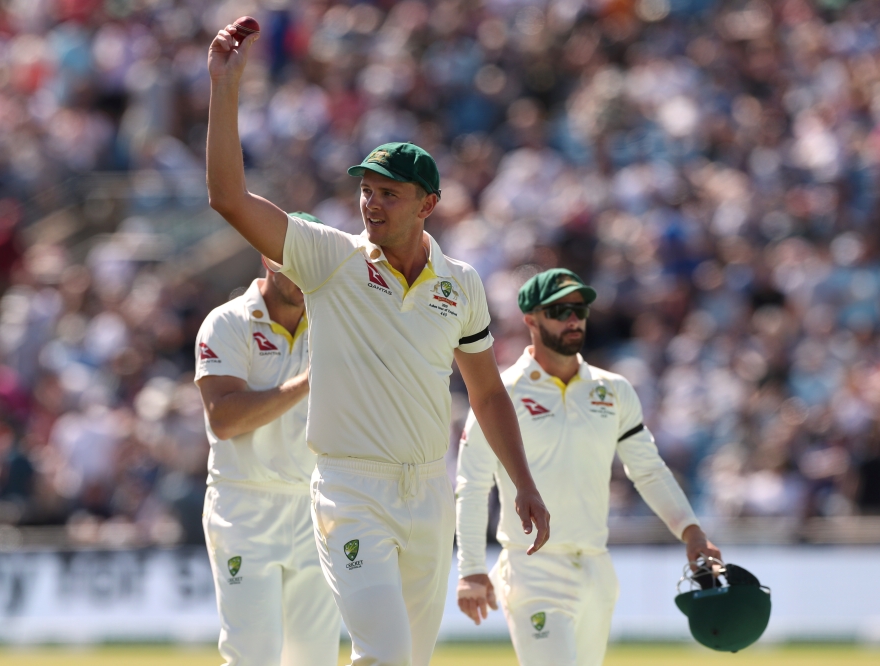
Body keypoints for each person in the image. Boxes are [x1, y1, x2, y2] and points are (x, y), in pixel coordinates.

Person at [206, 25, 550, 666]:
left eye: (389, 193)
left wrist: (521, 483)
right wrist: (225, 89)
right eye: (365, 189)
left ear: (429, 205)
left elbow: (487, 392)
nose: (371, 203)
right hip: (349, 489)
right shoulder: (329, 258)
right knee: (383, 656)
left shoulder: (461, 285)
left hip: (427, 493)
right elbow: (228, 198)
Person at [455, 268, 722, 666]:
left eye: (580, 309)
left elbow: (648, 469)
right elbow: (471, 484)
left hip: (596, 567)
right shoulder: (501, 394)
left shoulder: (613, 390)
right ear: (530, 319)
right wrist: (472, 569)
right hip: (532, 570)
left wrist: (691, 529)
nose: (573, 319)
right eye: (560, 310)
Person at [195, 214, 341, 666]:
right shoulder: (228, 323)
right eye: (290, 262)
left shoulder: (331, 323)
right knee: (252, 656)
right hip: (244, 506)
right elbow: (223, 419)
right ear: (267, 257)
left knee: (313, 659)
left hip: (314, 505)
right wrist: (308, 382)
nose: (300, 275)